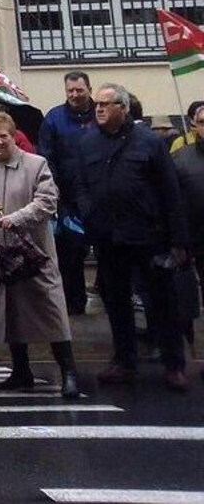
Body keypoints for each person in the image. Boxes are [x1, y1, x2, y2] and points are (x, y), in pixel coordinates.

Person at [66, 83, 190, 392]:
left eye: (107, 104)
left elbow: (169, 192)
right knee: (117, 303)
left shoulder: (148, 141)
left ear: (123, 108)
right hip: (108, 237)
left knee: (161, 302)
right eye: (98, 104)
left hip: (148, 236)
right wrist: (88, 211)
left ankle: (174, 364)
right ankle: (124, 360)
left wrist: (179, 242)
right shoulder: (87, 143)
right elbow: (79, 183)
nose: (99, 109)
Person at [0, 112, 80, 399]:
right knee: (9, 309)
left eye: (4, 136)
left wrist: (19, 217)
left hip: (33, 255)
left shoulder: (36, 165)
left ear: (14, 137)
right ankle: (20, 370)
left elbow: (47, 201)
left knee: (51, 310)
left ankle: (68, 371)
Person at [39, 71, 96, 315]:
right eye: (70, 90)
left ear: (89, 89)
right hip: (68, 200)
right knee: (70, 254)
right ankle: (74, 303)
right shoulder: (54, 118)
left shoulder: (100, 113)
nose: (74, 94)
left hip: (100, 196)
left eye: (79, 90)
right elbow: (46, 156)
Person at [171, 103, 204, 382]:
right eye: (202, 122)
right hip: (192, 240)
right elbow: (172, 202)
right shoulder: (181, 160)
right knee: (184, 302)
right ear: (194, 125)